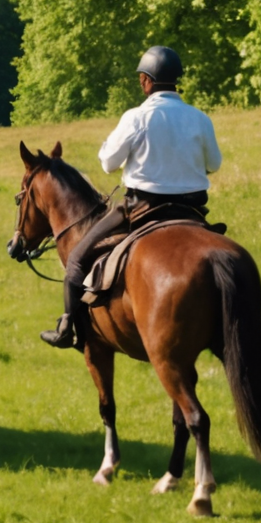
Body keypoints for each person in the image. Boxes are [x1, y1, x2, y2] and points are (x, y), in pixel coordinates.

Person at [40, 46, 220, 349]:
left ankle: (68, 327)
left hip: (142, 209)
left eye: (141, 78)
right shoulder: (200, 119)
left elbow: (109, 163)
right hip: (191, 210)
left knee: (76, 261)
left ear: (146, 81)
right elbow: (214, 164)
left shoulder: (136, 118)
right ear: (175, 81)